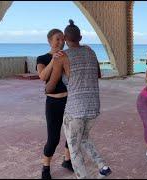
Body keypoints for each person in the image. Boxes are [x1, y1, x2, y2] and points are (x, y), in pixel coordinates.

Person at [45, 20, 111, 179]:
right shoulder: (91, 51)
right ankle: (103, 166)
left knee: (74, 151)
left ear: (65, 38)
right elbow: (98, 74)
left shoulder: (62, 56)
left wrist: (50, 83)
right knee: (84, 138)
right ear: (80, 37)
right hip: (93, 107)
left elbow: (51, 86)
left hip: (75, 110)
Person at [36, 29, 73, 179]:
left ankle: (67, 160)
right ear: (49, 41)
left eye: (63, 39)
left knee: (71, 134)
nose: (61, 42)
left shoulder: (68, 56)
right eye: (57, 39)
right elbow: (42, 76)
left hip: (70, 100)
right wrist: (53, 60)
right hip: (53, 102)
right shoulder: (42, 58)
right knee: (53, 138)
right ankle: (46, 167)